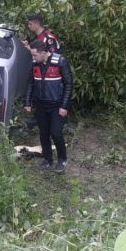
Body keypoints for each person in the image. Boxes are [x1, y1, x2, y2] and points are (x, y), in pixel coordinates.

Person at [24, 40, 73, 173]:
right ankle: (47, 159)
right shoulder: (35, 64)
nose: (33, 58)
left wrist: (64, 106)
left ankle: (62, 159)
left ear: (44, 52)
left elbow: (69, 85)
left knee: (56, 133)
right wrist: (27, 102)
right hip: (41, 105)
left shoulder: (60, 62)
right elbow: (30, 83)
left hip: (57, 106)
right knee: (43, 133)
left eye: (35, 55)